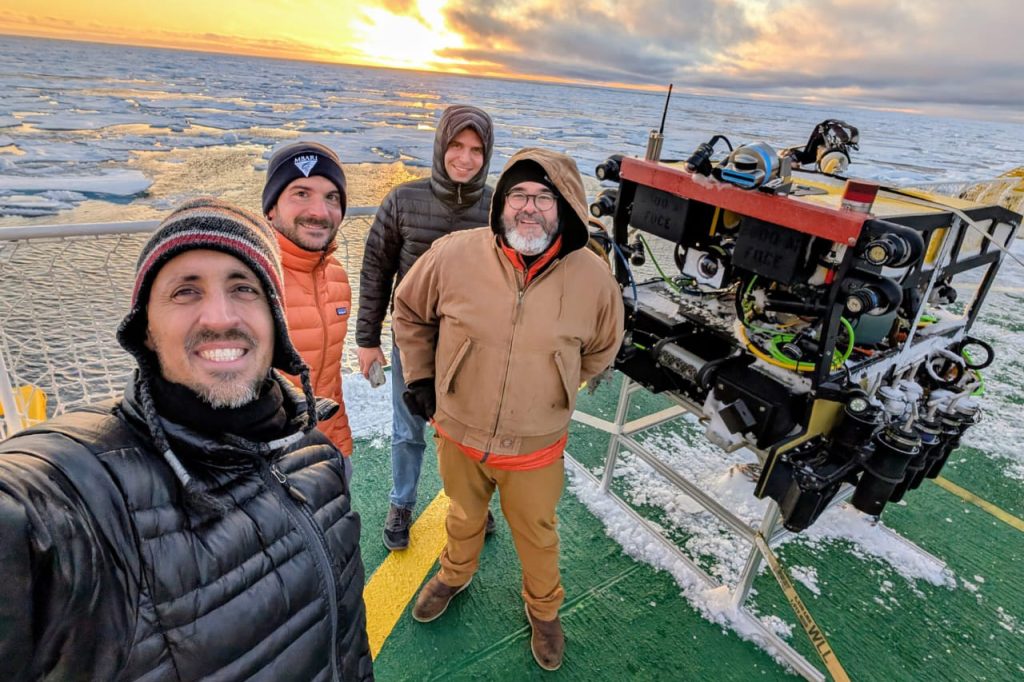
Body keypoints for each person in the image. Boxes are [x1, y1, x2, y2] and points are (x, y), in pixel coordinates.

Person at [0, 198, 373, 681]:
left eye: (244, 288)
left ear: (274, 320)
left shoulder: (313, 453)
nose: (220, 317)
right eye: (184, 292)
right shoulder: (85, 490)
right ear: (147, 331)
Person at [393, 148, 625, 671]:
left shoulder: (594, 279)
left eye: (544, 198)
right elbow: (409, 310)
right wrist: (423, 375)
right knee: (463, 513)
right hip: (459, 431)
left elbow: (602, 350)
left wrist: (553, 386)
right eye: (518, 194)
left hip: (536, 444)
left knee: (537, 532)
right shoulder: (454, 254)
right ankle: (455, 574)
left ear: (566, 206)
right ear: (500, 203)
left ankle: (544, 611)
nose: (529, 208)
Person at [355, 104, 495, 550]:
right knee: (407, 428)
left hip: (471, 346)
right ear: (441, 146)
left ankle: (473, 505)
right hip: (411, 342)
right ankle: (402, 502)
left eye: (476, 149)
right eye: (457, 145)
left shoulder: (497, 208)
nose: (465, 158)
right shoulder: (403, 200)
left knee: (470, 432)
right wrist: (366, 339)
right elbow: (375, 270)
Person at [263, 141, 354, 478]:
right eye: (302, 193)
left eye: (332, 197)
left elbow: (330, 376)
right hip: (270, 464)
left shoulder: (338, 277)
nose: (319, 211)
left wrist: (341, 445)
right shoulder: (249, 281)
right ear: (271, 208)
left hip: (331, 449)